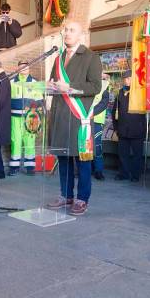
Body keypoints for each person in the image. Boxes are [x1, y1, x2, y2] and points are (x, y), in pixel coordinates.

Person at [45, 21, 103, 216]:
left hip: (79, 117)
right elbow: (55, 85)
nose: (67, 33)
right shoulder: (58, 58)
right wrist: (50, 86)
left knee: (82, 160)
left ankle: (82, 198)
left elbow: (95, 87)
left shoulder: (91, 57)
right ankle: (66, 195)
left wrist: (69, 87)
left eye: (71, 30)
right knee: (63, 158)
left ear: (81, 35)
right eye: (65, 30)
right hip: (61, 115)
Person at [9, 60, 44, 176]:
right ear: (17, 69)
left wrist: (33, 107)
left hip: (31, 118)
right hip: (15, 117)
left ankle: (30, 167)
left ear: (29, 69)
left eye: (26, 67)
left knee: (30, 141)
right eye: (22, 67)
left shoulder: (35, 82)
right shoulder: (11, 82)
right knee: (16, 141)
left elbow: (39, 101)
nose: (24, 69)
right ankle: (14, 167)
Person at [112, 69, 147, 182]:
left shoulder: (141, 92)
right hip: (123, 128)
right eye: (125, 79)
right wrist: (116, 127)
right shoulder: (120, 93)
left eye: (129, 79)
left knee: (137, 154)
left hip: (137, 128)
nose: (126, 81)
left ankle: (136, 175)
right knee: (123, 154)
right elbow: (114, 111)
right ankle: (124, 173)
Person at [91, 73, 112, 181]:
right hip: (84, 120)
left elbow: (104, 103)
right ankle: (87, 168)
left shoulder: (104, 86)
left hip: (97, 121)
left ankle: (98, 170)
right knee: (85, 145)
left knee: (97, 146)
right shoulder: (88, 84)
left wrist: (91, 112)